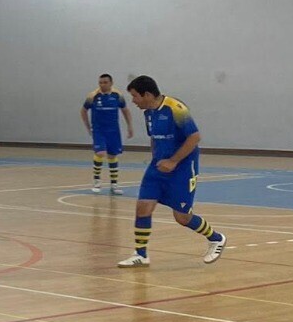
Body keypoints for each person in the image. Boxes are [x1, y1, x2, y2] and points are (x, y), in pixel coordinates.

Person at [117, 75, 227, 268]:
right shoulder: (148, 113)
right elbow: (154, 138)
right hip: (158, 166)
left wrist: (174, 161)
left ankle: (216, 238)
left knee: (182, 217)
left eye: (135, 96)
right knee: (143, 207)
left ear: (148, 94)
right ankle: (141, 254)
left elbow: (194, 137)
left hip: (182, 168)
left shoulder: (176, 109)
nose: (133, 101)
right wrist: (156, 158)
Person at [81, 73, 134, 194]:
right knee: (100, 153)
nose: (102, 85)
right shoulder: (93, 96)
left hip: (113, 131)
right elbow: (83, 111)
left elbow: (125, 111)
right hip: (99, 130)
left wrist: (129, 126)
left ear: (111, 83)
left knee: (112, 155)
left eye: (105, 82)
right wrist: (88, 126)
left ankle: (114, 184)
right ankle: (96, 181)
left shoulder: (117, 95)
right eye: (100, 82)